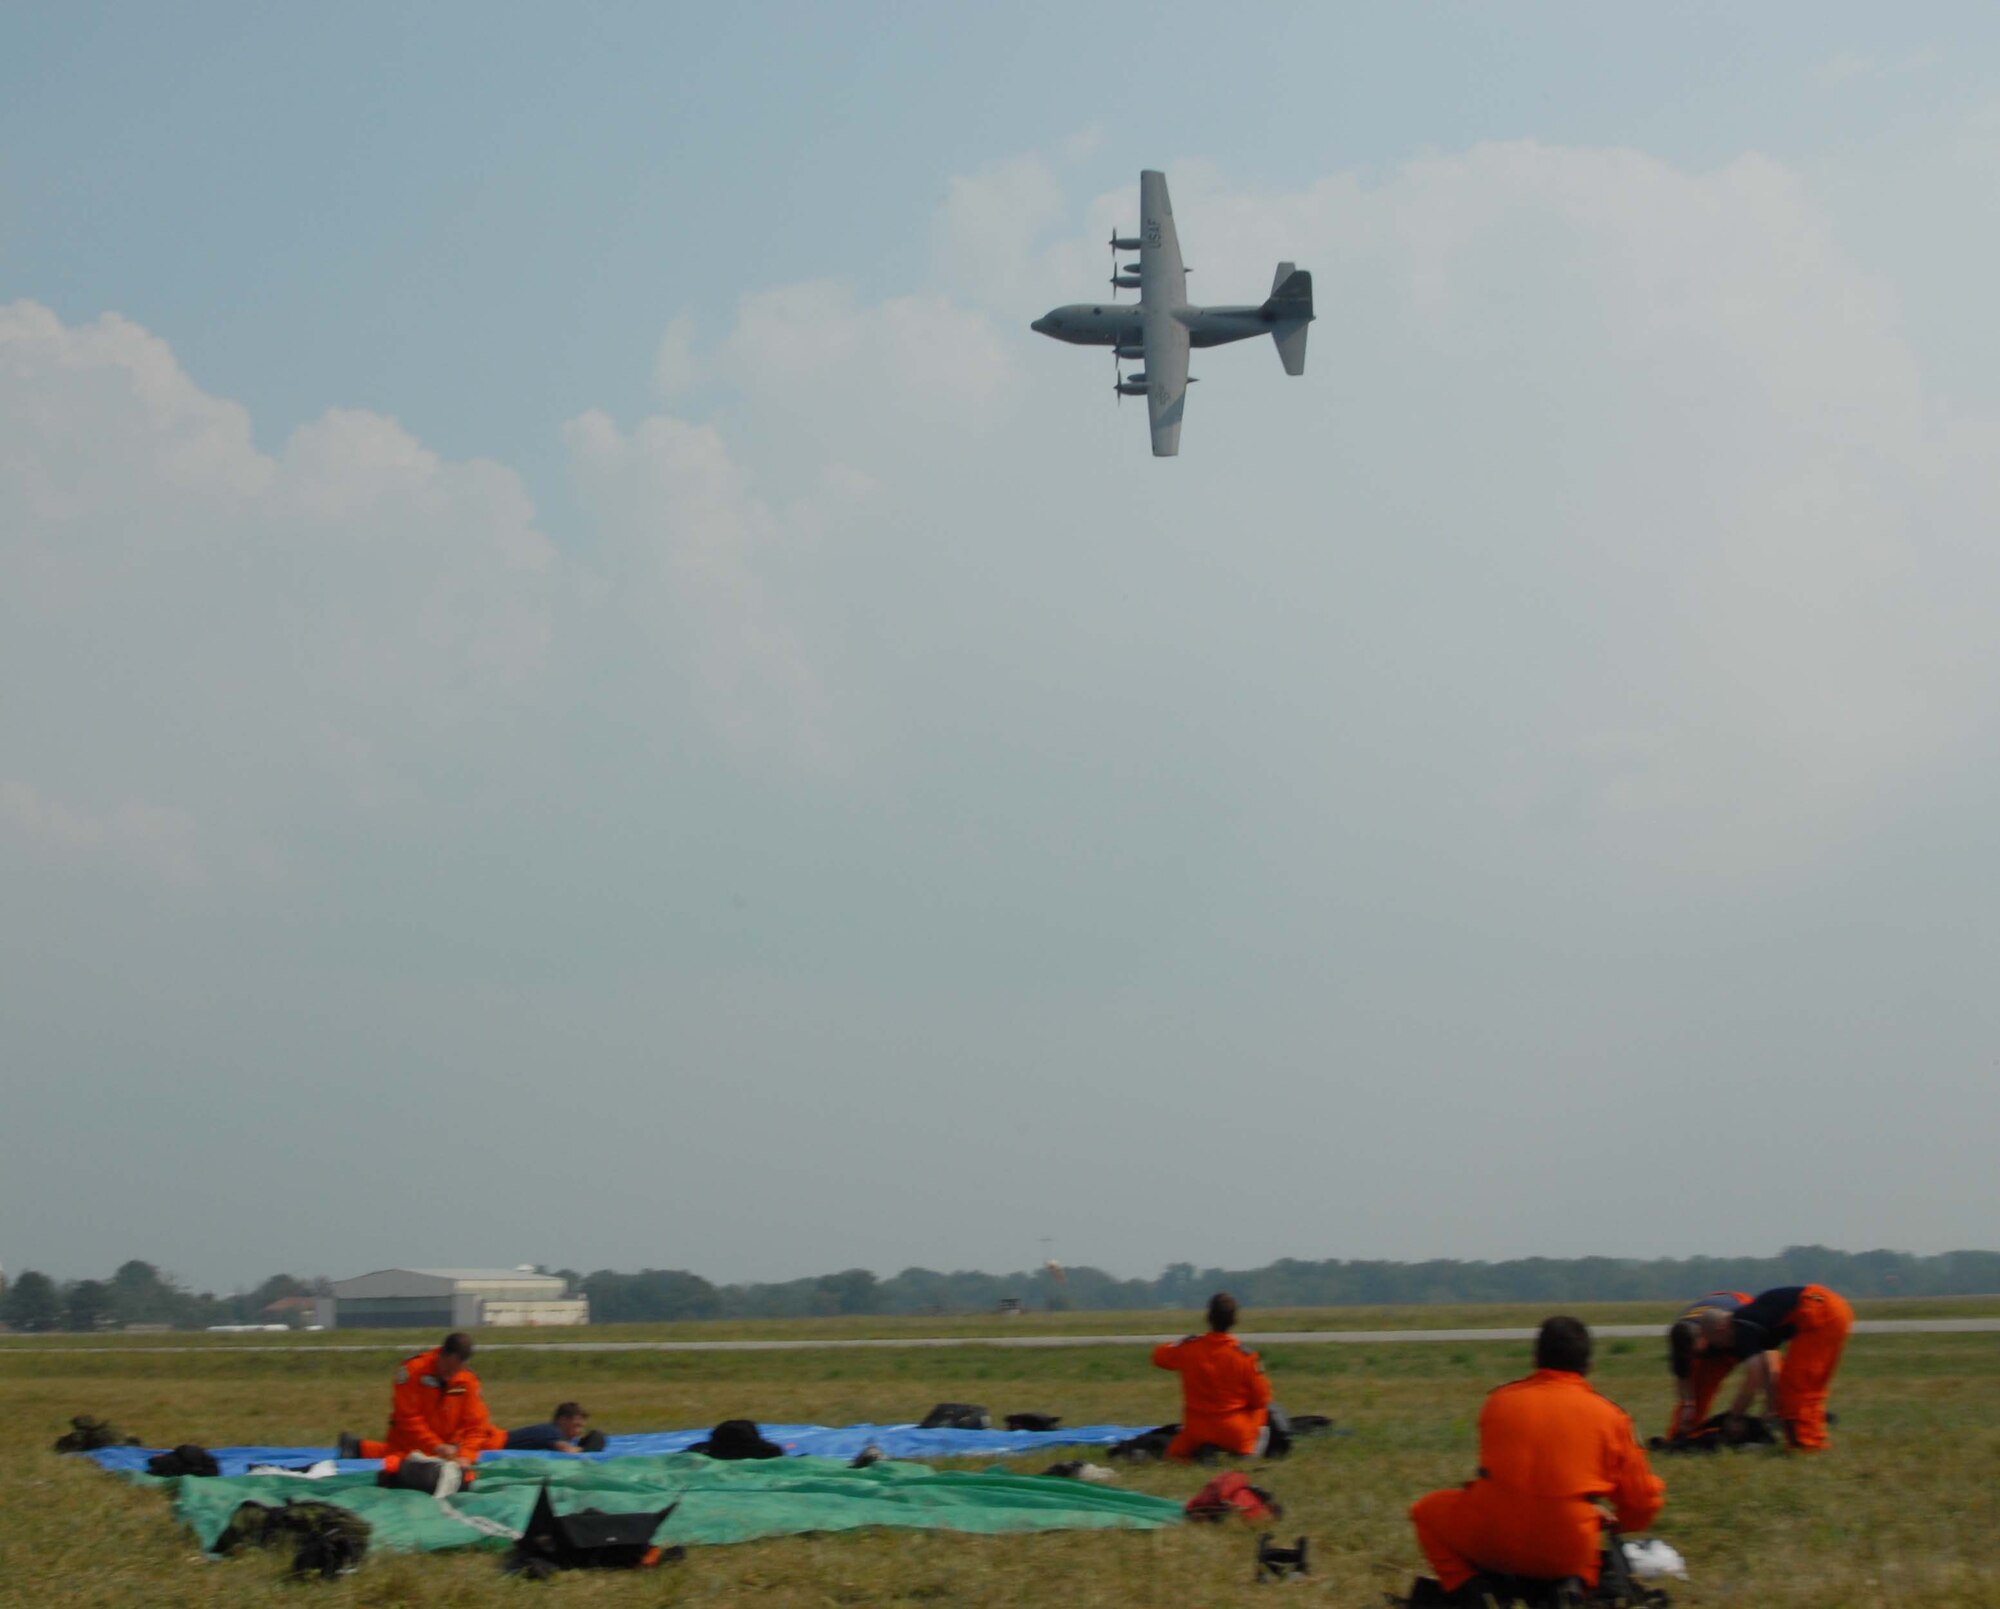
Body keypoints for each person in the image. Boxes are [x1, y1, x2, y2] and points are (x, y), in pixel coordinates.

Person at [1410, 1316, 1664, 1600]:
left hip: (1491, 1541)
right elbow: (1641, 1503)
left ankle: (1467, 1589)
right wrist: (1616, 1521)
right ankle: (1577, 1586)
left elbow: (1499, 1476)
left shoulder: (1498, 1401)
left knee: (1425, 1511)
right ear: (1589, 1366)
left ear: (1535, 1359)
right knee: (1588, 1539)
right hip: (1564, 1553)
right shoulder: (1611, 1417)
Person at [1690, 1283, 1852, 1451]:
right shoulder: (1752, 1320)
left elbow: (1754, 1376)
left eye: (1715, 1342)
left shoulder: (1741, 1328)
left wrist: (1735, 1415)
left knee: (1798, 1388)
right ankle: (1808, 1439)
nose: (1722, 1348)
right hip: (1829, 1307)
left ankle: (1808, 1445)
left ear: (1720, 1329)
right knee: (1803, 1385)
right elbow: (1769, 1367)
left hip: (1818, 1310)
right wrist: (1771, 1408)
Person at [340, 1331, 504, 1469]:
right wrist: (436, 1446)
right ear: (441, 1354)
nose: (449, 1375)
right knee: (402, 1460)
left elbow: (476, 1426)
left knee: (491, 1441)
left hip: (448, 1449)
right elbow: (408, 1418)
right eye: (446, 1368)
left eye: (455, 1371)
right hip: (412, 1444)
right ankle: (356, 1447)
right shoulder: (412, 1371)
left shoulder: (468, 1380)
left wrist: (466, 1456)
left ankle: (356, 1447)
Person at [1150, 1292, 1273, 1460]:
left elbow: (1158, 1356)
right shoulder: (1246, 1357)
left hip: (1196, 1431)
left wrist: (1182, 1342)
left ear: (1208, 1317)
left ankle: (1203, 1450)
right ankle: (1249, 1452)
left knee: (1176, 1453)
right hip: (1234, 1432)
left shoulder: (1190, 1348)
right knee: (1262, 1410)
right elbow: (1261, 1399)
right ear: (1234, 1320)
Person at [1665, 1290, 1772, 1440]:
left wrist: (1766, 1406)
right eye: (1691, 1355)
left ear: (1705, 1335)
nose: (1694, 1357)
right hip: (1716, 1331)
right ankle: (1682, 1435)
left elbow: (1763, 1367)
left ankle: (1780, 1423)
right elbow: (1683, 1375)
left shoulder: (1739, 1325)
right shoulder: (1680, 1338)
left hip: (1739, 1306)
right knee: (1698, 1389)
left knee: (1774, 1372)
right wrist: (1689, 1405)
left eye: (1696, 1352)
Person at [506, 1401, 591, 1453]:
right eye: (577, 1426)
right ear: (563, 1420)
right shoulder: (551, 1431)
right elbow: (568, 1451)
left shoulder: (551, 1430)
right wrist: (589, 1449)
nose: (580, 1431)